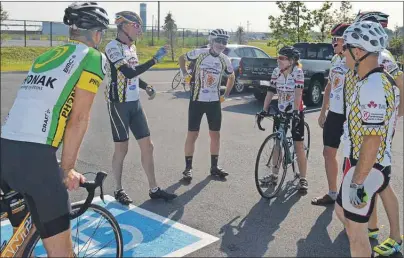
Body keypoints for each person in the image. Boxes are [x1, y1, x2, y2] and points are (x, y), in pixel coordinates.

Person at [0, 2, 110, 256]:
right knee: (61, 251)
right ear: (96, 33)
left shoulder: (45, 56)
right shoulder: (92, 57)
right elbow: (79, 118)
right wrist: (67, 168)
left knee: (22, 240)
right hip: (34, 159)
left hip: (5, 148)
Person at [334, 21, 400, 257]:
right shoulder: (379, 80)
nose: (342, 52)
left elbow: (371, 142)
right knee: (341, 212)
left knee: (356, 237)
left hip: (366, 168)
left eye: (346, 48)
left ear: (358, 52)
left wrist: (357, 182)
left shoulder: (371, 86)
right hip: (370, 165)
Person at [104, 11, 177, 205]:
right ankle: (118, 189)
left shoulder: (132, 47)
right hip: (118, 104)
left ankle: (154, 188)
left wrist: (146, 87)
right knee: (122, 149)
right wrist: (154, 60)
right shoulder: (112, 47)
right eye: (137, 26)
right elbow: (127, 72)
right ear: (125, 26)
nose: (140, 30)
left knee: (148, 146)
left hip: (134, 103)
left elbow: (135, 74)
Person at [178, 29, 236, 181]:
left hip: (214, 102)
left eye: (224, 42)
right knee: (193, 134)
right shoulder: (200, 53)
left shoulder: (225, 59)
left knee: (215, 135)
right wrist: (184, 74)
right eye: (219, 41)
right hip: (197, 100)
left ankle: (214, 167)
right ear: (211, 40)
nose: (222, 44)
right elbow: (181, 58)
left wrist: (226, 94)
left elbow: (232, 76)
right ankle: (188, 168)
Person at [257, 46, 308, 192]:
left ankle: (303, 179)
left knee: (298, 145)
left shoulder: (298, 72)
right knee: (277, 142)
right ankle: (274, 176)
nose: (278, 60)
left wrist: (296, 112)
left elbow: (298, 93)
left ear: (291, 61)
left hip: (295, 110)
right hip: (281, 110)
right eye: (278, 57)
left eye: (282, 58)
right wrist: (263, 110)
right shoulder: (276, 72)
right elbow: (271, 91)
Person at [312, 23, 351, 206]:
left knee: (352, 158)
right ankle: (332, 193)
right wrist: (322, 111)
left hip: (351, 115)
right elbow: (329, 86)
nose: (333, 43)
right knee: (328, 152)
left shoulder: (356, 61)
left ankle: (350, 198)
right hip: (334, 113)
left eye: (336, 39)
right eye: (332, 39)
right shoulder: (335, 59)